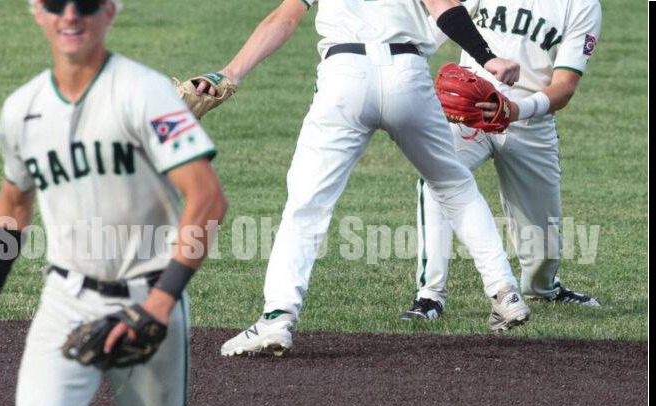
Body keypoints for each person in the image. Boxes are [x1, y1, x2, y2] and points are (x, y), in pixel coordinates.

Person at [0, 1, 241, 406]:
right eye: (55, 4)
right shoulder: (22, 110)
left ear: (109, 11)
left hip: (150, 298)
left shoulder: (144, 93)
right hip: (65, 302)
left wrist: (161, 302)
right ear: (37, 12)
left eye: (85, 3)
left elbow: (208, 200)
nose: (70, 15)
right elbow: (12, 206)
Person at [190, 0, 532, 357]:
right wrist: (487, 57)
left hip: (344, 78)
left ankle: (278, 317)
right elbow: (444, 7)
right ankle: (504, 292)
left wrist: (230, 73)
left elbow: (285, 17)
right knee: (454, 186)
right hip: (407, 76)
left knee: (307, 205)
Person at [401, 0, 602, 320]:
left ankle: (544, 288)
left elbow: (564, 88)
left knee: (543, 246)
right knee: (437, 179)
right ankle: (430, 295)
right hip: (468, 112)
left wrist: (514, 110)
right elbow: (433, 29)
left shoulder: (581, 6)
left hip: (531, 122)